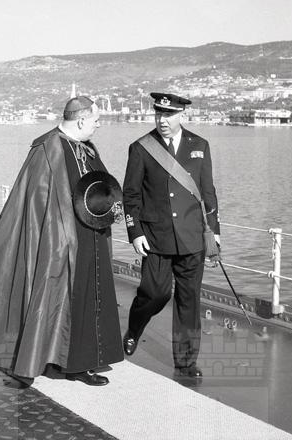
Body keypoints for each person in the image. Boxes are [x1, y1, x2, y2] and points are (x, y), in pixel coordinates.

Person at [0, 96, 123, 386]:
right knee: (47, 296)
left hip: (90, 238)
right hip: (56, 240)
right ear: (81, 120)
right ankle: (26, 363)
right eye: (95, 120)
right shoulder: (47, 149)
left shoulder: (87, 148)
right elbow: (35, 201)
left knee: (86, 297)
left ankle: (78, 364)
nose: (98, 125)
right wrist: (56, 238)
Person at [122, 92, 220, 378]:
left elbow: (208, 192)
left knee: (189, 302)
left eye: (168, 115)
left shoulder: (199, 145)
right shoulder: (141, 148)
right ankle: (135, 327)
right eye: (158, 114)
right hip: (156, 237)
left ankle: (186, 363)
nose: (162, 120)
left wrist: (214, 233)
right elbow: (131, 195)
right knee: (155, 293)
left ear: (181, 115)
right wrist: (135, 232)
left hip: (192, 237)